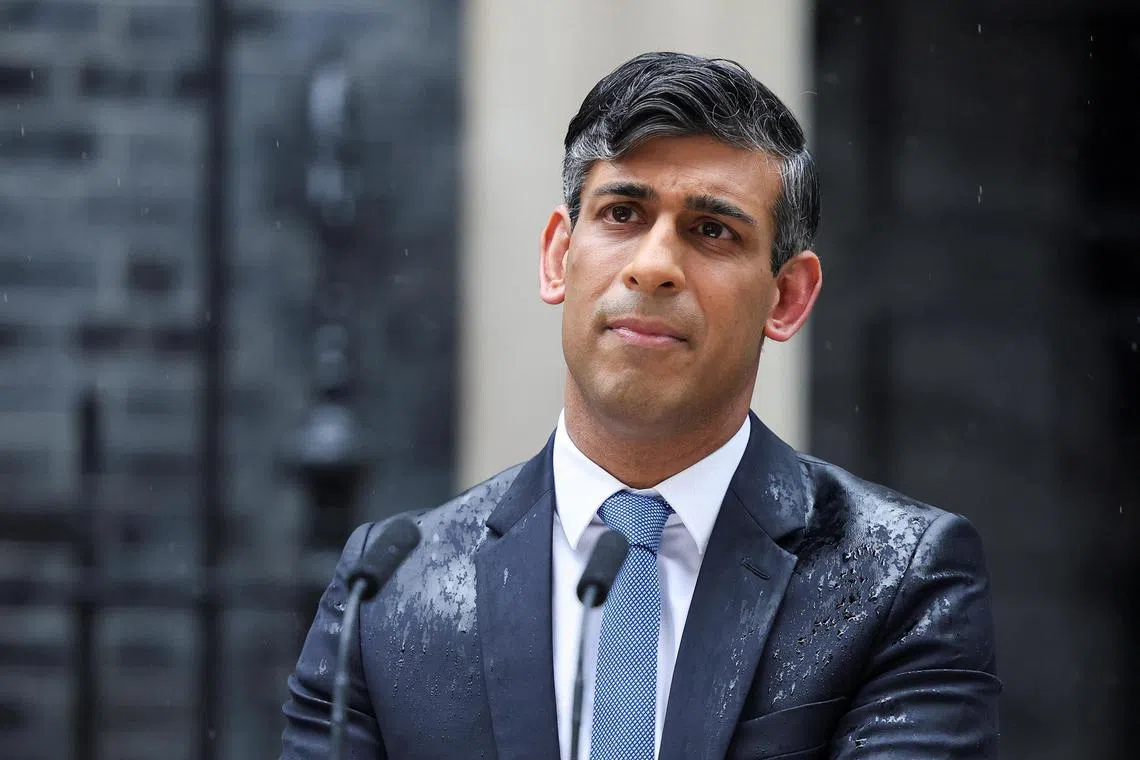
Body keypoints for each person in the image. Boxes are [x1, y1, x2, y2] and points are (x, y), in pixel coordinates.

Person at [280, 52, 1000, 760]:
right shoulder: (389, 588)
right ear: (558, 256)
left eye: (712, 230)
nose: (653, 265)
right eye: (623, 212)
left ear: (787, 298)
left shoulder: (896, 577)